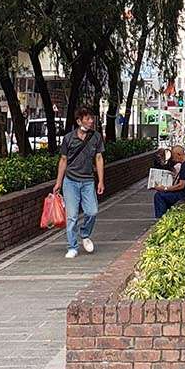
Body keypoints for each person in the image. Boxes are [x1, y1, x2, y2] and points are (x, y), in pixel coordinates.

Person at [54, 106, 105, 259]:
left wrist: (101, 181)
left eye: (92, 118)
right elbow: (63, 160)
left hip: (88, 181)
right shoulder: (69, 138)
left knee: (92, 211)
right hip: (70, 182)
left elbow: (99, 158)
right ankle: (72, 246)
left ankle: (85, 234)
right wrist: (58, 182)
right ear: (79, 121)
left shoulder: (96, 137)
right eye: (88, 119)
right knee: (72, 216)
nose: (91, 121)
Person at [152, 145, 185, 218]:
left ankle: (161, 218)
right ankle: (165, 216)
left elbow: (181, 185)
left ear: (179, 155)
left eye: (173, 156)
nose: (173, 158)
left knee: (159, 196)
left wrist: (165, 188)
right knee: (162, 194)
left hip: (184, 194)